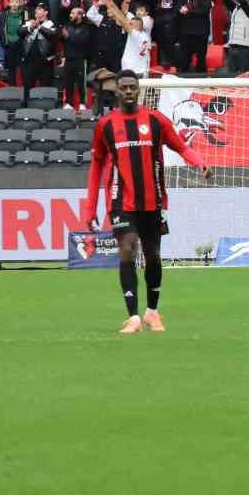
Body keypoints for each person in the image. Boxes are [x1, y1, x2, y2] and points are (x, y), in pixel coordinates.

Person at [81, 71, 211, 334]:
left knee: (152, 255)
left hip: (154, 199)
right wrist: (89, 208)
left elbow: (180, 147)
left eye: (132, 87)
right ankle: (133, 317)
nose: (129, 91)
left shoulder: (155, 120)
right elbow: (96, 166)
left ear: (138, 89)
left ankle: (152, 312)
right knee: (127, 248)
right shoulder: (106, 125)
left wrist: (199, 162)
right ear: (117, 91)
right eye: (124, 87)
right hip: (121, 199)